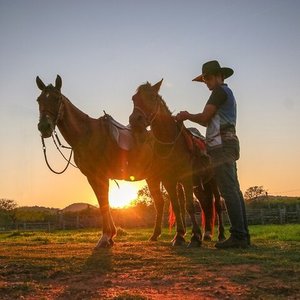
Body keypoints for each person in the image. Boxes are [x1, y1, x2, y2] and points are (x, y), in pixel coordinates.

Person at [176, 60, 250, 248]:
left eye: (207, 78)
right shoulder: (226, 93)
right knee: (234, 189)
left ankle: (238, 236)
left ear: (219, 76)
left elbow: (204, 118)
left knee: (228, 190)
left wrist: (186, 115)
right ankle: (243, 235)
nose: (206, 82)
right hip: (228, 144)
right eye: (204, 79)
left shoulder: (218, 93)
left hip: (221, 146)